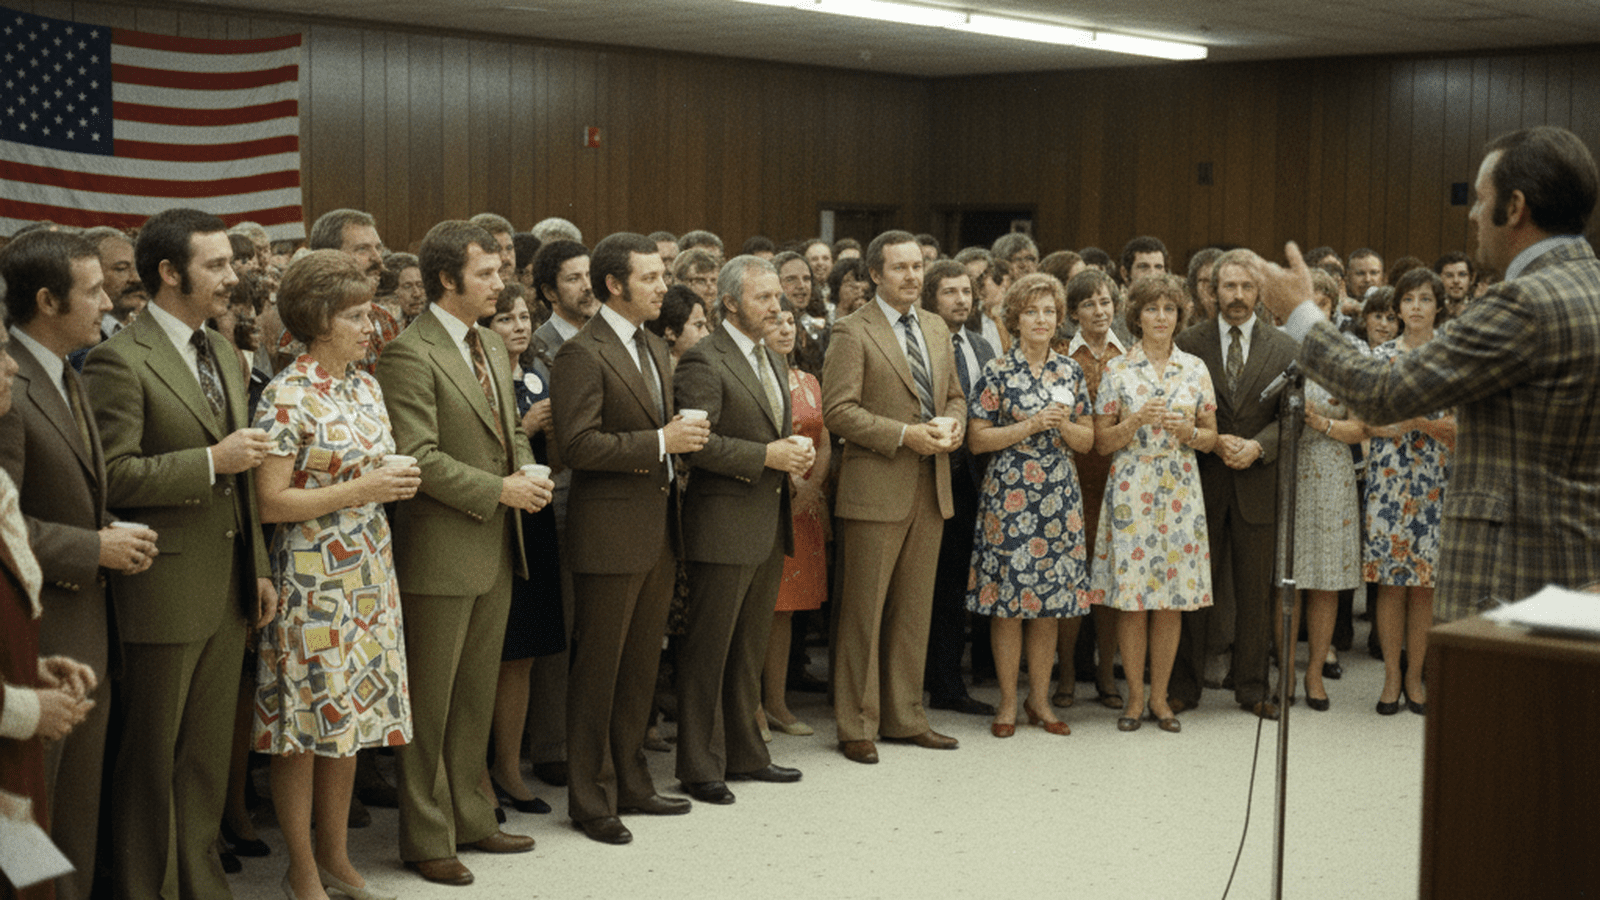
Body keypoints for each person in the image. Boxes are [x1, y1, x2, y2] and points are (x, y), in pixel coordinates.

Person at [1256, 128, 1600, 623]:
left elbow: (1383, 392)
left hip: (1511, 581)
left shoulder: (1524, 302)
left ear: (1516, 207)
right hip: (1580, 571)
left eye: (1482, 200)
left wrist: (1302, 315)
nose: (1473, 214)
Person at [82, 207, 279, 900]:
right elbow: (112, 476)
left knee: (200, 758)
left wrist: (256, 564)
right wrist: (207, 461)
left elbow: (247, 474)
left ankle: (201, 881)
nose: (235, 276)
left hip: (226, 584)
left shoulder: (220, 349)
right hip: (159, 590)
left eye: (233, 262)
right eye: (218, 265)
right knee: (150, 758)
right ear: (170, 273)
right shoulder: (116, 359)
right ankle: (147, 887)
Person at [374, 221, 550, 885]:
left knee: (474, 697)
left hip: (495, 546)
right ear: (448, 280)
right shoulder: (409, 354)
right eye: (485, 274)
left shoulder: (488, 345)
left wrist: (527, 472)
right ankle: (425, 835)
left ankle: (473, 817)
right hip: (439, 551)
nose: (499, 284)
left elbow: (510, 434)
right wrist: (498, 489)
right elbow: (416, 458)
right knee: (433, 703)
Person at [251, 250, 420, 900]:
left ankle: (337, 858)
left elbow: (371, 471)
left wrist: (385, 484)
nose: (370, 326)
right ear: (319, 319)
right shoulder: (286, 395)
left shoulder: (365, 384)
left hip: (368, 574)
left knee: (346, 722)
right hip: (312, 582)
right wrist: (361, 489)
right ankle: (301, 868)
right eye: (355, 315)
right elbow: (270, 501)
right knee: (304, 727)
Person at [550, 232, 708, 845]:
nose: (663, 286)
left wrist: (675, 444)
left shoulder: (649, 344)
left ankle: (634, 782)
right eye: (650, 278)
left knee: (641, 667)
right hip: (609, 533)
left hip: (656, 528)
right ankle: (589, 799)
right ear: (614, 284)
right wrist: (662, 443)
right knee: (598, 671)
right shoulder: (581, 354)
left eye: (662, 274)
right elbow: (577, 446)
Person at [0, 239, 132, 900]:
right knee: (28, 827)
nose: (108, 302)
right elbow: (5, 521)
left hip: (84, 635)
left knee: (75, 823)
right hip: (36, 628)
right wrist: (93, 548)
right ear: (47, 301)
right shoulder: (8, 385)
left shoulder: (64, 368)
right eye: (93, 291)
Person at [821, 230, 964, 766]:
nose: (912, 276)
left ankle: (905, 716)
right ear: (875, 275)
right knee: (863, 611)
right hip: (875, 487)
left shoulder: (936, 327)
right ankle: (856, 723)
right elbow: (838, 411)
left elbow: (952, 394)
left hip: (932, 485)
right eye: (899, 268)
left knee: (912, 612)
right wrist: (904, 436)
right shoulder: (851, 331)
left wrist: (953, 422)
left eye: (918, 266)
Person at [672, 255, 810, 806]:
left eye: (778, 296)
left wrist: (787, 455)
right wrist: (768, 455)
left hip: (765, 522)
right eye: (764, 298)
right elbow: (697, 445)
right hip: (722, 525)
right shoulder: (704, 361)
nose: (777, 307)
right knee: (709, 652)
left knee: (747, 650)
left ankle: (747, 753)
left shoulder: (769, 356)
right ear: (730, 303)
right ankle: (699, 765)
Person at [964, 273, 1094, 738]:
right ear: (1015, 318)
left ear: (1059, 319)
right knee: (1008, 605)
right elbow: (976, 440)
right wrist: (1031, 425)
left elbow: (1088, 440)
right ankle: (1005, 703)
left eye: (1049, 312)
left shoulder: (1070, 371)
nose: (1041, 320)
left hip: (1058, 496)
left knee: (1049, 605)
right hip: (1010, 496)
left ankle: (1039, 700)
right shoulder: (997, 372)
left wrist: (1060, 427)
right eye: (1031, 311)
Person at [1172, 251, 1298, 720]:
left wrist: (1258, 446)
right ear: (1213, 291)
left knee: (1253, 592)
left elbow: (1291, 418)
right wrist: (1214, 440)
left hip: (1258, 482)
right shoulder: (1188, 343)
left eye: (1246, 287)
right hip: (1202, 480)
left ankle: (1252, 686)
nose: (1238, 296)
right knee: (1195, 590)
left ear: (1259, 292)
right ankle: (1184, 684)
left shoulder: (1285, 348)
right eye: (1229, 287)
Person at [1092, 274, 1218, 733]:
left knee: (1170, 602)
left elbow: (1211, 437)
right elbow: (1101, 442)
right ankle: (1134, 699)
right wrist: (1135, 422)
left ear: (1179, 316)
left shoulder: (1196, 368)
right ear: (1136, 316)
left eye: (1168, 309)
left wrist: (1190, 433)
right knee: (1132, 601)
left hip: (1180, 490)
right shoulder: (1117, 370)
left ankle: (1162, 699)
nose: (1160, 317)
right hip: (1132, 488)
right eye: (1151, 309)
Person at [1354, 267, 1455, 715]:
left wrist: (1418, 423)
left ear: (1438, 307)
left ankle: (1416, 674)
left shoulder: (1453, 357)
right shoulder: (1380, 358)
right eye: (1409, 300)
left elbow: (1460, 428)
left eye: (1425, 299)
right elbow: (1364, 423)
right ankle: (1391, 674)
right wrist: (1394, 424)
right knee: (1392, 585)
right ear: (1397, 308)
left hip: (1436, 482)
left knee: (1424, 588)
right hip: (1390, 481)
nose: (1416, 307)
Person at [480, 284, 564, 815]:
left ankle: (510, 767)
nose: (517, 326)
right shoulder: (480, 379)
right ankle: (479, 775)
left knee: (525, 653)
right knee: (492, 652)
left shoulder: (537, 375)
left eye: (523, 316)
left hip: (536, 517)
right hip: (492, 516)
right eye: (505, 317)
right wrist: (526, 427)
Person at [1289, 272, 1366, 711]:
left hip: (1332, 467)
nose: (1315, 310)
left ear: (1334, 306)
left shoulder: (1349, 353)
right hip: (1287, 469)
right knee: (1290, 579)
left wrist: (1324, 424)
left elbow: (1363, 425)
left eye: (1322, 302)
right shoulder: (1282, 346)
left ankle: (1316, 672)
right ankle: (1285, 671)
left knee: (1325, 582)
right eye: (1306, 302)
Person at [761, 296, 830, 735]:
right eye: (775, 322)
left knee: (786, 610)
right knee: (758, 608)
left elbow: (823, 442)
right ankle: (747, 704)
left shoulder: (808, 381)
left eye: (791, 322)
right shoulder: (752, 377)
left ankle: (776, 703)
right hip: (764, 498)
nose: (786, 330)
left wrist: (810, 488)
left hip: (803, 504)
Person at [1057, 269, 1125, 710]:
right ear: (1074, 313)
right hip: (1071, 476)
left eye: (1105, 302)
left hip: (1119, 477)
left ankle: (1106, 674)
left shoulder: (1130, 355)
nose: (1099, 312)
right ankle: (1065, 675)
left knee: (1110, 582)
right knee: (1070, 580)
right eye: (1088, 305)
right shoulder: (1062, 355)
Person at [643, 284, 711, 369]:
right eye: (698, 325)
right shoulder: (654, 373)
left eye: (705, 326)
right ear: (671, 333)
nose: (706, 334)